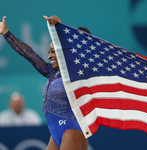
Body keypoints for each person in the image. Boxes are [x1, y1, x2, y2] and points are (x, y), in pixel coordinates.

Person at [0, 15, 89, 150]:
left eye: (53, 52)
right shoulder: (51, 73)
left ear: (65, 51)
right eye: (49, 52)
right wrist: (6, 33)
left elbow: (82, 45)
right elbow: (28, 53)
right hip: (56, 134)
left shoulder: (75, 71)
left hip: (71, 131)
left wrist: (59, 30)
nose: (49, 56)